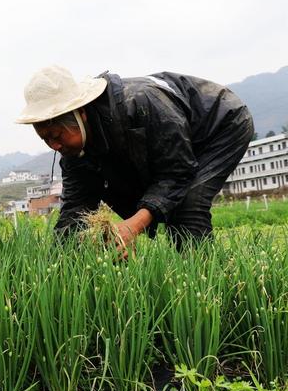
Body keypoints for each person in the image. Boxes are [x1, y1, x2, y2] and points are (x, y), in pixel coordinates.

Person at [16, 65, 253, 252]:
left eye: (56, 136)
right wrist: (57, 261)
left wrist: (135, 224)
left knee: (188, 205)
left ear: (80, 115)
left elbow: (177, 172)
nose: (54, 146)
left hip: (219, 125)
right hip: (175, 146)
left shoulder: (143, 103)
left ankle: (202, 286)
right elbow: (75, 208)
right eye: (45, 140)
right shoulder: (74, 153)